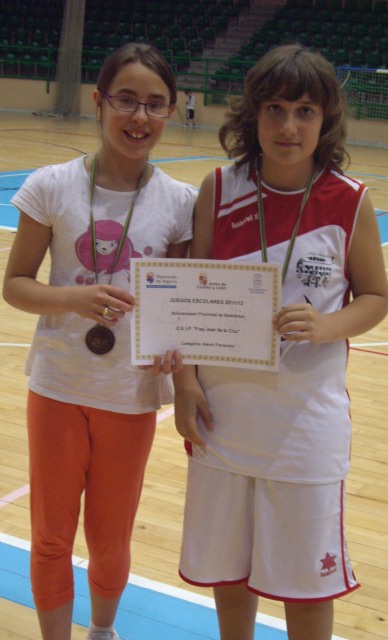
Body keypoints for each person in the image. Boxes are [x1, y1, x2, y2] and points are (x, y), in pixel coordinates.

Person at [173, 43, 388, 640]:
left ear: (326, 120)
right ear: (252, 114)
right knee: (229, 571)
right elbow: (188, 300)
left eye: (304, 110)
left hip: (305, 424)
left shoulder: (350, 200)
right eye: (273, 108)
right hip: (224, 414)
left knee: (306, 581)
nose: (288, 126)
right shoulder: (218, 189)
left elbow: (375, 297)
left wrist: (329, 325)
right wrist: (185, 383)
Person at [2, 43, 196, 640]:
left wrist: (176, 349)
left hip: (131, 393)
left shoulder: (181, 202)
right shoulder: (51, 185)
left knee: (111, 537)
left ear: (171, 113)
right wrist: (71, 299)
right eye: (127, 101)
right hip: (59, 382)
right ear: (100, 102)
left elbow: (181, 307)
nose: (140, 118)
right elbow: (14, 285)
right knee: (51, 533)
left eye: (155, 105)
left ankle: (103, 631)